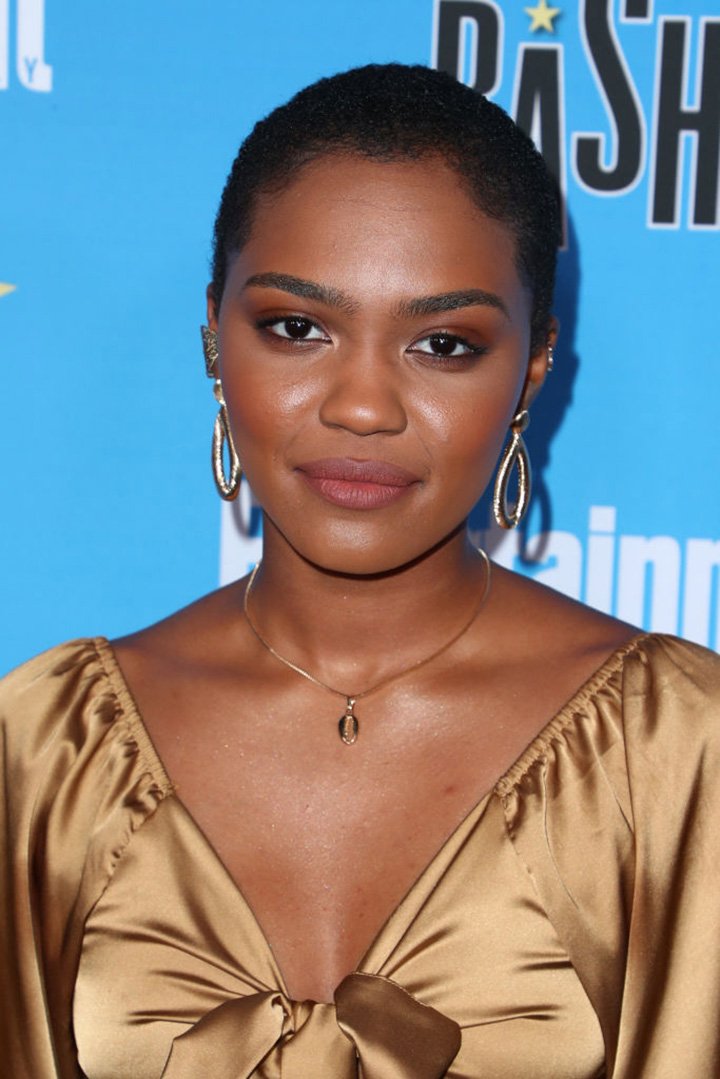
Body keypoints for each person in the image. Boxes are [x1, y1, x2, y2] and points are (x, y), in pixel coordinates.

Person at [1, 63, 719, 1079]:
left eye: (442, 342)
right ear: (214, 334)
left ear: (535, 365)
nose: (364, 404)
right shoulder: (46, 751)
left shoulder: (681, 751)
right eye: (297, 327)